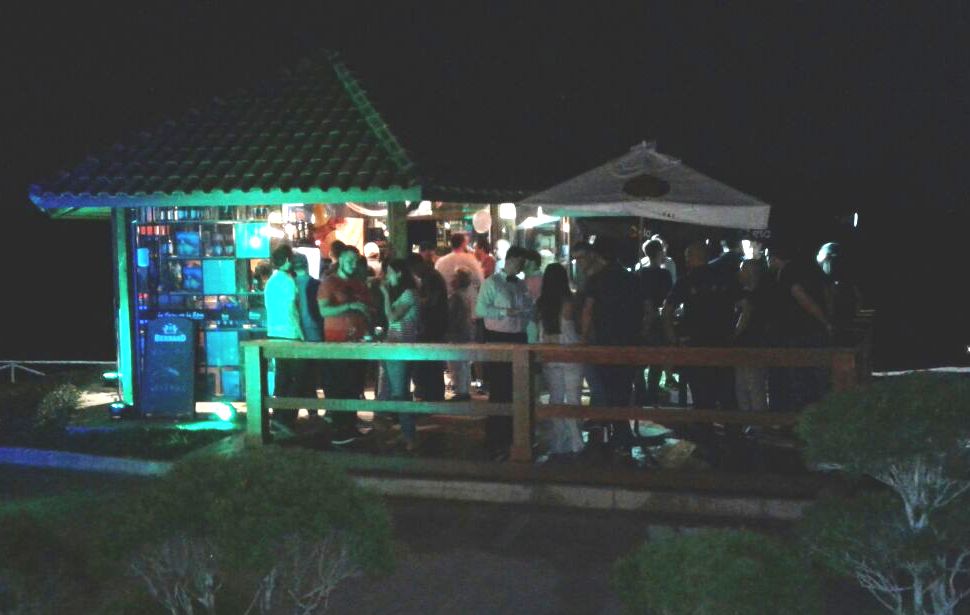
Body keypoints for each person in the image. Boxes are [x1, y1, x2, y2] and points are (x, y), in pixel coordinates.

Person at [579, 237, 644, 455]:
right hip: (629, 341)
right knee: (623, 389)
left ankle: (611, 435)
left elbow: (588, 311)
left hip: (604, 342)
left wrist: (584, 339)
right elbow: (647, 309)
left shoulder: (596, 280)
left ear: (598, 255)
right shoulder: (633, 279)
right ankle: (621, 434)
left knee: (606, 389)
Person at [661, 241, 740, 411]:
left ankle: (704, 424)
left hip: (696, 342)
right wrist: (735, 332)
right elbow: (743, 305)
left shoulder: (687, 281)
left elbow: (667, 311)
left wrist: (673, 339)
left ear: (691, 258)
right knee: (726, 391)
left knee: (701, 393)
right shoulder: (723, 278)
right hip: (722, 341)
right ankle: (731, 424)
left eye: (687, 257)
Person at [476, 246, 534, 460]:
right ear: (510, 260)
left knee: (518, 388)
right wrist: (504, 312)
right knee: (500, 388)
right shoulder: (491, 283)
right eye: (519, 263)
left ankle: (514, 436)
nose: (521, 267)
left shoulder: (521, 284)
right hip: (498, 338)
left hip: (519, 337)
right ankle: (496, 437)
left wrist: (527, 313)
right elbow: (480, 310)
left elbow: (528, 308)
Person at [765, 241, 833, 411]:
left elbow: (800, 296)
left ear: (774, 258)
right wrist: (827, 317)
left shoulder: (787, 272)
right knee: (819, 376)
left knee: (801, 378)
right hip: (813, 330)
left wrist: (823, 319)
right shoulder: (809, 267)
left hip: (800, 332)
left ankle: (806, 415)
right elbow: (827, 290)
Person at [316, 246, 373, 442]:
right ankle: (339, 431)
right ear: (340, 260)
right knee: (339, 387)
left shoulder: (359, 284)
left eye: (355, 261)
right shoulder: (329, 283)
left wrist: (368, 324)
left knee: (354, 386)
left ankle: (350, 427)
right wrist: (349, 305)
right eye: (349, 260)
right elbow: (324, 311)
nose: (352, 264)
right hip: (336, 344)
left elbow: (368, 308)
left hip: (358, 342)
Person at [535, 263, 584, 457]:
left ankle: (558, 442)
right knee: (573, 398)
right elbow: (579, 327)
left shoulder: (541, 303)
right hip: (571, 354)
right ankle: (576, 442)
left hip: (550, 356)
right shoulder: (570, 302)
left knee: (555, 398)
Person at [378, 258, 421, 451]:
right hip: (394, 346)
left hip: (400, 347)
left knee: (400, 393)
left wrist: (385, 294)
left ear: (399, 273)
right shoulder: (406, 293)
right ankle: (405, 433)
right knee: (394, 391)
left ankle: (409, 436)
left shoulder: (409, 294)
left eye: (389, 272)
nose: (386, 276)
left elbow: (392, 317)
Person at [264, 244, 304, 427]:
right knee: (297, 377)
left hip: (273, 332)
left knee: (282, 376)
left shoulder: (270, 282)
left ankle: (278, 415)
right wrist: (301, 333)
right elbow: (293, 309)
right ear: (287, 260)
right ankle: (287, 417)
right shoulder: (289, 281)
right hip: (290, 333)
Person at [634, 238, 673, 405]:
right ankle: (652, 394)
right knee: (656, 361)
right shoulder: (665, 274)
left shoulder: (639, 274)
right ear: (658, 253)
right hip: (658, 320)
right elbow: (669, 298)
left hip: (640, 319)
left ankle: (640, 393)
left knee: (639, 360)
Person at [732, 258, 770, 413]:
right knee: (746, 385)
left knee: (752, 385)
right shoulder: (761, 294)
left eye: (742, 270)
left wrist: (734, 335)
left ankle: (756, 421)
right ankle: (750, 420)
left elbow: (744, 318)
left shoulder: (751, 297)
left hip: (750, 345)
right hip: (751, 345)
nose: (739, 273)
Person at [291, 252, 324, 404]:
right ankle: (314, 408)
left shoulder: (290, 283)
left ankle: (306, 407)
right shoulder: (316, 284)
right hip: (315, 331)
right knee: (314, 372)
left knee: (300, 373)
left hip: (296, 333)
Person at [446, 268, 476, 400]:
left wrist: (449, 332)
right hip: (465, 333)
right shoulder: (465, 296)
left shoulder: (456, 297)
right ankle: (463, 390)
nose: (451, 280)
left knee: (457, 365)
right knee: (463, 365)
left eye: (454, 277)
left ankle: (461, 392)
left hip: (457, 335)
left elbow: (453, 317)